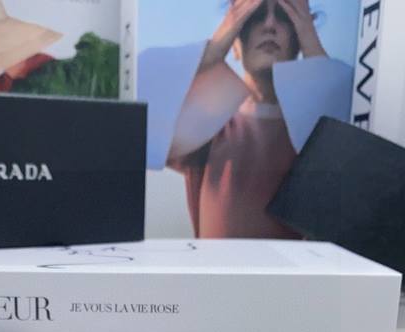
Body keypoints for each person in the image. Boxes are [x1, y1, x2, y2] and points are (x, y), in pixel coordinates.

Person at [139, 0, 354, 239]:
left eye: (284, 15)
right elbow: (133, 125)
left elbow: (354, 172)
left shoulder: (312, 131)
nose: (269, 25)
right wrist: (212, 50)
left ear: (298, 39)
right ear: (235, 43)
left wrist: (312, 46)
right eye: (254, 15)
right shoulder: (210, 125)